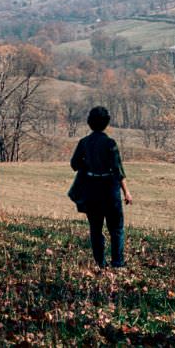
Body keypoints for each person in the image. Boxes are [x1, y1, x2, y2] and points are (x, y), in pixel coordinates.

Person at [69, 106, 133, 268]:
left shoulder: (84, 143)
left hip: (91, 189)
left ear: (90, 123)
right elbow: (118, 171)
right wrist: (126, 192)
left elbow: (74, 164)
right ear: (107, 123)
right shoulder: (110, 143)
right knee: (116, 228)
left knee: (95, 229)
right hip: (109, 189)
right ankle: (117, 263)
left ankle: (100, 263)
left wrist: (88, 164)